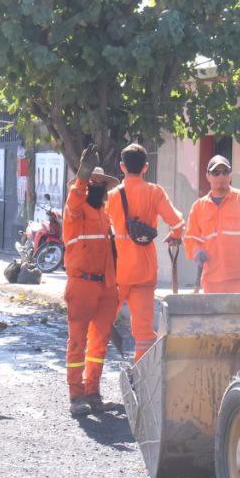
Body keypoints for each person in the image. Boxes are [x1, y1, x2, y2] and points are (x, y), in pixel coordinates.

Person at [105, 143, 184, 362]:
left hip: (117, 271)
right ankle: (143, 377)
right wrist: (175, 236)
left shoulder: (112, 196)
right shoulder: (155, 192)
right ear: (145, 167)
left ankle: (91, 377)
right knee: (144, 334)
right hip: (144, 271)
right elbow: (177, 222)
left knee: (101, 323)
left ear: (122, 166)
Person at [62, 146, 118, 416]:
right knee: (78, 341)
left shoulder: (105, 215)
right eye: (91, 183)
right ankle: (76, 395)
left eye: (100, 183)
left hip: (105, 286)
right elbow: (74, 200)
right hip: (82, 284)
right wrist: (82, 177)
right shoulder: (75, 210)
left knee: (99, 343)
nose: (96, 187)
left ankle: (92, 391)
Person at [183, 155, 240, 293]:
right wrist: (196, 251)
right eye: (215, 172)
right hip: (212, 282)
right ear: (208, 176)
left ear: (230, 176)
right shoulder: (198, 207)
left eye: (225, 172)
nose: (221, 176)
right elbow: (191, 238)